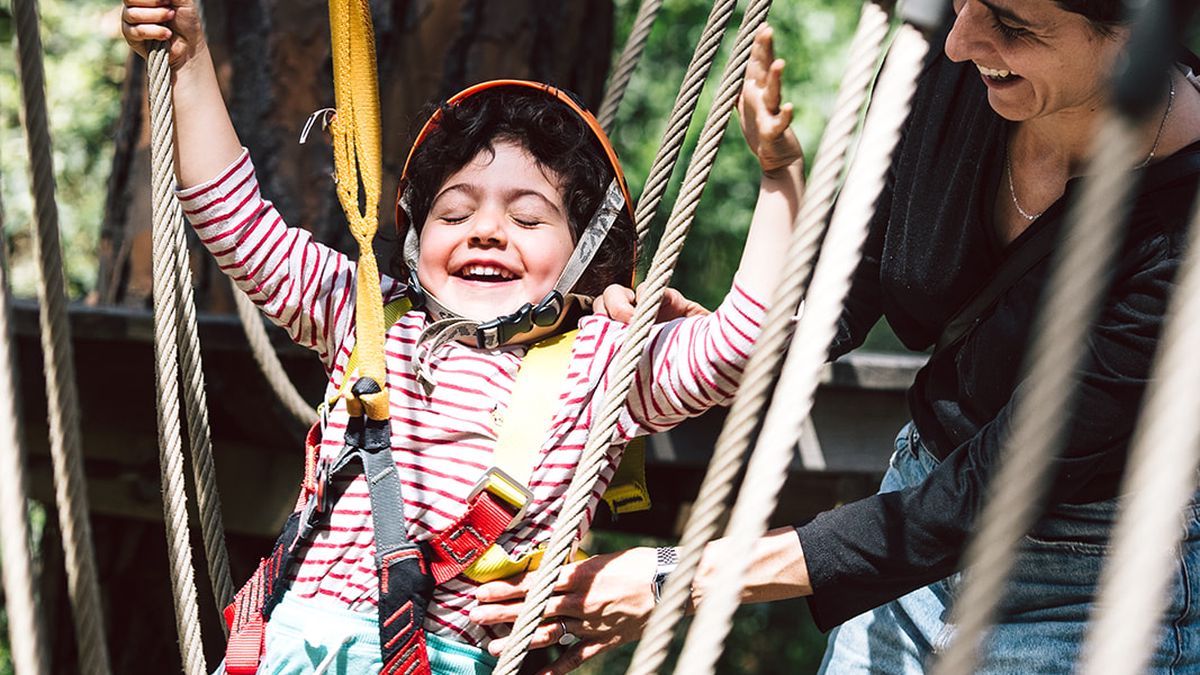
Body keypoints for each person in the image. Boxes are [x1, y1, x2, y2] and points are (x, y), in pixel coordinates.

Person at [469, 1, 1200, 673]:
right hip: (910, 509)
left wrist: (677, 577)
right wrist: (727, 343)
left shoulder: (1181, 241)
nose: (959, 40)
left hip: (1089, 588)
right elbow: (857, 270)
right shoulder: (955, 70)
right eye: (962, 0)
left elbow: (985, 492)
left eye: (1012, 24)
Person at [121, 2, 804, 672]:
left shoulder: (602, 363)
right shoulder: (364, 314)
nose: (486, 231)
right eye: (453, 214)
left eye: (528, 220)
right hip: (283, 648)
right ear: (417, 238)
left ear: (584, 256)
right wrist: (189, 56)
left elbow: (742, 342)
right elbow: (233, 216)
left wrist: (779, 176)